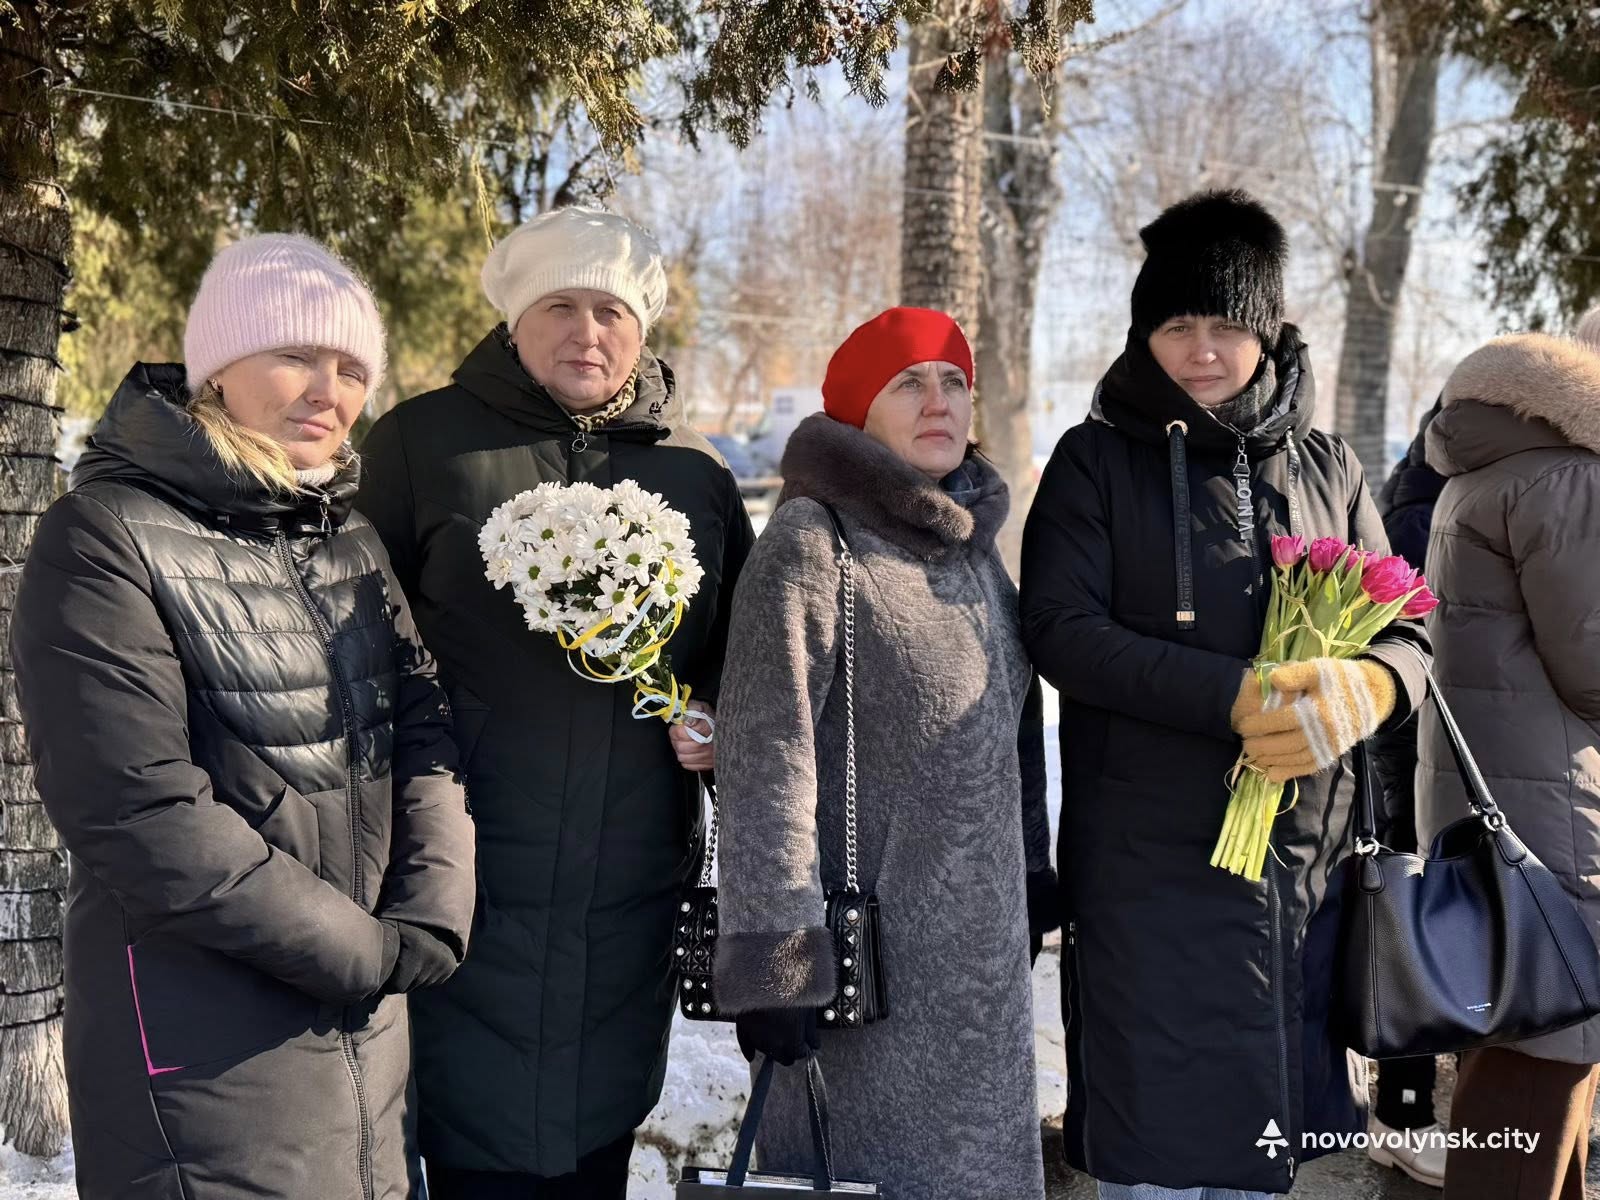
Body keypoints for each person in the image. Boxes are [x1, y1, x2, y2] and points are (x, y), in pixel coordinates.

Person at [10, 233, 475, 1200]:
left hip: (368, 1038)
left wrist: (434, 904)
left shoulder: (347, 537)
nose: (328, 392)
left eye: (353, 368)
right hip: (200, 1052)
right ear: (217, 369)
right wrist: (361, 952)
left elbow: (423, 723)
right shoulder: (105, 536)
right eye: (295, 355)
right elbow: (137, 810)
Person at [1020, 190, 1430, 1199]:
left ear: (1268, 331)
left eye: (1226, 325)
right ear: (1142, 333)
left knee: (1265, 1157)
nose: (1202, 350)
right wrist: (1236, 697)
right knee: (1158, 1156)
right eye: (1176, 325)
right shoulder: (1093, 462)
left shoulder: (1329, 465)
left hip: (1301, 878)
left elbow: (1411, 626)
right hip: (1150, 871)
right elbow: (1063, 631)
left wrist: (1368, 686)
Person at [356, 206, 754, 1199]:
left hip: (628, 879)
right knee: (470, 1141)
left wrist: (712, 717)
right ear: (514, 320)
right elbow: (356, 639)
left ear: (642, 329)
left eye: (611, 311)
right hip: (465, 864)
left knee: (593, 1144)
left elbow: (736, 651)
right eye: (560, 307)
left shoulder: (695, 471)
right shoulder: (421, 445)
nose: (587, 332)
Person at [711, 306, 1058, 1200]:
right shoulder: (810, 544)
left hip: (981, 972)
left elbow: (1011, 722)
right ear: (858, 411)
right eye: (909, 383)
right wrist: (777, 963)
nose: (939, 401)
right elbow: (765, 758)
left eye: (954, 382)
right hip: (868, 974)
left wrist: (1032, 872)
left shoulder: (972, 546)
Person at [1417, 329, 1600, 1200]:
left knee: (1517, 1063)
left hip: (1496, 809)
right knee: (1540, 1071)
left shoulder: (1487, 468)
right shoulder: (1568, 478)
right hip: (1556, 816)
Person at [1367, 398, 1449, 1189]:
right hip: (1417, 752)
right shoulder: (1426, 514)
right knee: (1414, 920)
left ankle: (1405, 1108)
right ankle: (1402, 1112)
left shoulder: (1424, 495)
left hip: (1429, 753)